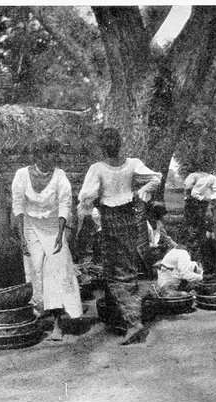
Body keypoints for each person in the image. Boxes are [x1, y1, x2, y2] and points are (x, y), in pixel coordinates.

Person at [78, 127, 162, 345]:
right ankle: (131, 320)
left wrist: (94, 204)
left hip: (111, 222)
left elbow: (86, 197)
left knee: (115, 275)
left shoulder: (98, 168)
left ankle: (133, 323)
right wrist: (139, 195)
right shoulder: (132, 164)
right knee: (129, 272)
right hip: (129, 220)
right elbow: (155, 179)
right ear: (119, 144)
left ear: (103, 146)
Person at [12, 137, 83, 341]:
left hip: (54, 227)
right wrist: (22, 237)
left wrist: (61, 234)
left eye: (53, 154)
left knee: (57, 271)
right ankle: (41, 314)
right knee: (36, 271)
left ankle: (58, 325)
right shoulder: (21, 175)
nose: (51, 158)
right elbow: (18, 206)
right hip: (30, 227)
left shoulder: (60, 176)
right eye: (47, 154)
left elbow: (65, 205)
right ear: (37, 156)